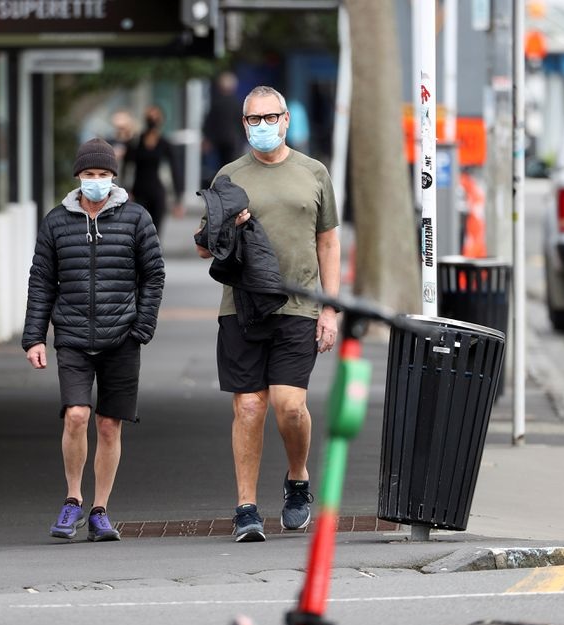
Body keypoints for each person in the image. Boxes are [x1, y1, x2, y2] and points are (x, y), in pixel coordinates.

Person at [195, 86, 341, 542]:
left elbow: (329, 242)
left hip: (299, 304)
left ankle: (297, 479)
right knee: (250, 406)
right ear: (244, 125)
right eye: (253, 120)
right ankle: (246, 507)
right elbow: (203, 247)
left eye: (269, 117)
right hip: (242, 306)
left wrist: (330, 309)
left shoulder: (314, 173)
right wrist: (224, 226)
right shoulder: (228, 176)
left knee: (289, 405)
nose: (262, 126)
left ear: (286, 120)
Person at [23, 137, 165, 543]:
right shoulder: (56, 222)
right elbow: (41, 281)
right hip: (72, 337)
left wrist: (142, 327)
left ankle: (100, 509)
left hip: (122, 337)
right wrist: (35, 337)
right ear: (78, 177)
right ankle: (72, 499)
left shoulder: (136, 219)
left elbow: (153, 275)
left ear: (113, 178)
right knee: (77, 416)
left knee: (108, 425)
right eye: (89, 175)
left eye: (103, 175)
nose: (96, 181)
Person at [124, 105, 184, 233]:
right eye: (149, 116)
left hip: (157, 193)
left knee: (155, 232)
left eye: (155, 117)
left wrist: (178, 198)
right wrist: (125, 190)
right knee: (138, 231)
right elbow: (126, 166)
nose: (152, 119)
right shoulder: (136, 142)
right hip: (138, 192)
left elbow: (175, 170)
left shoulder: (164, 144)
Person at [202, 72, 245, 180]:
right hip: (234, 141)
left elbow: (208, 123)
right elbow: (243, 123)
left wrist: (208, 139)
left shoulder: (216, 104)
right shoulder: (238, 104)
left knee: (221, 166)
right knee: (232, 166)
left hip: (219, 141)